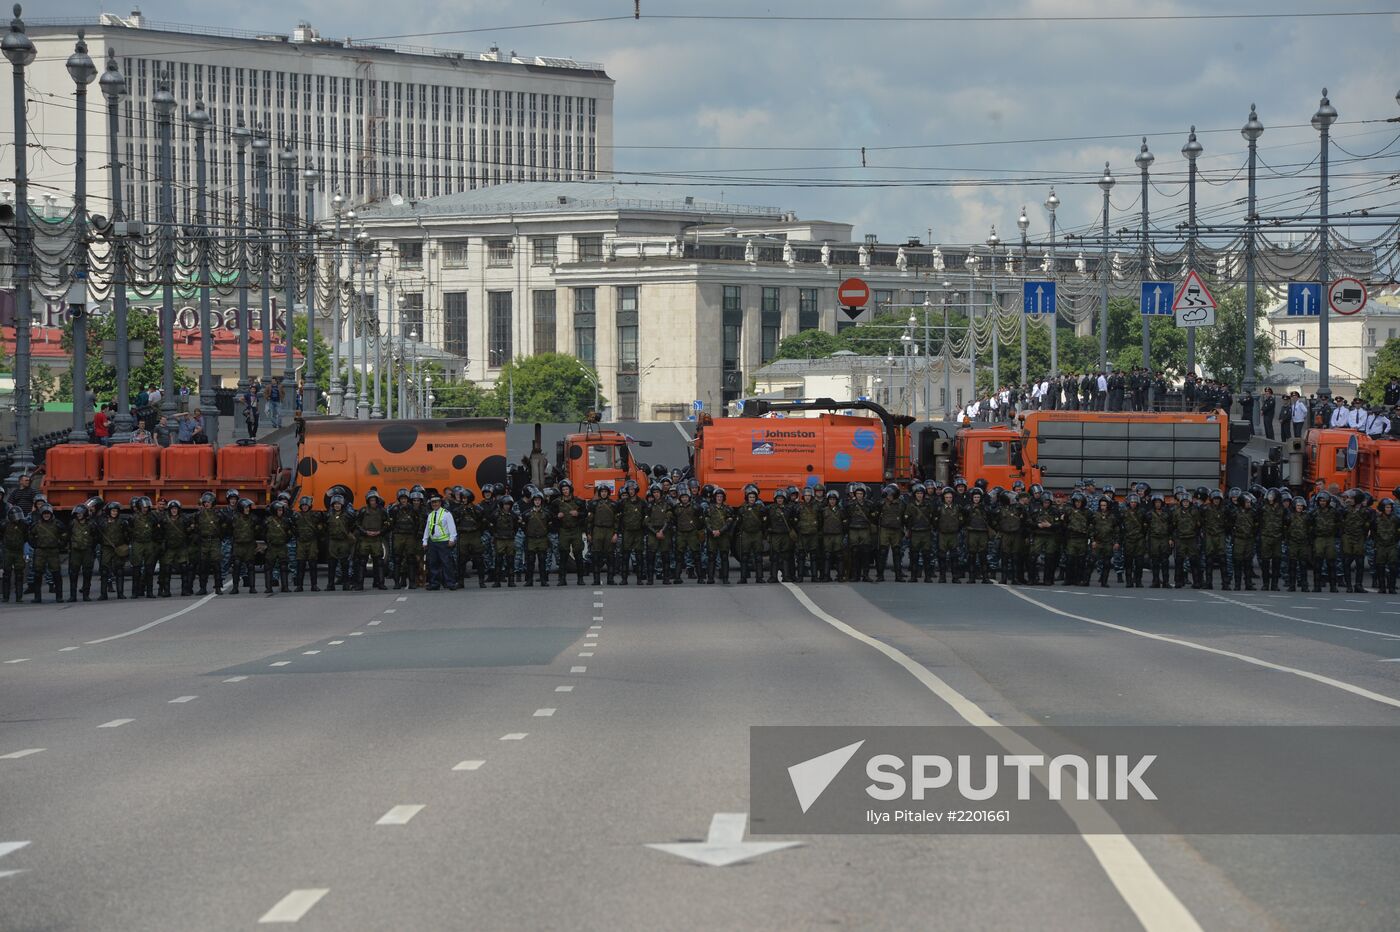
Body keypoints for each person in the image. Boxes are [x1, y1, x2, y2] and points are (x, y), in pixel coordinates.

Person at [422, 493, 458, 590]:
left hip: (444, 542)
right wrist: (424, 541)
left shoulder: (446, 514)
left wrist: (452, 539)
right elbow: (427, 529)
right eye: (433, 502)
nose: (434, 504)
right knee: (433, 564)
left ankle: (450, 583)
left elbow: (452, 527)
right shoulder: (430, 515)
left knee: (446, 563)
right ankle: (434, 584)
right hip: (433, 543)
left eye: (436, 502)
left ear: (440, 503)